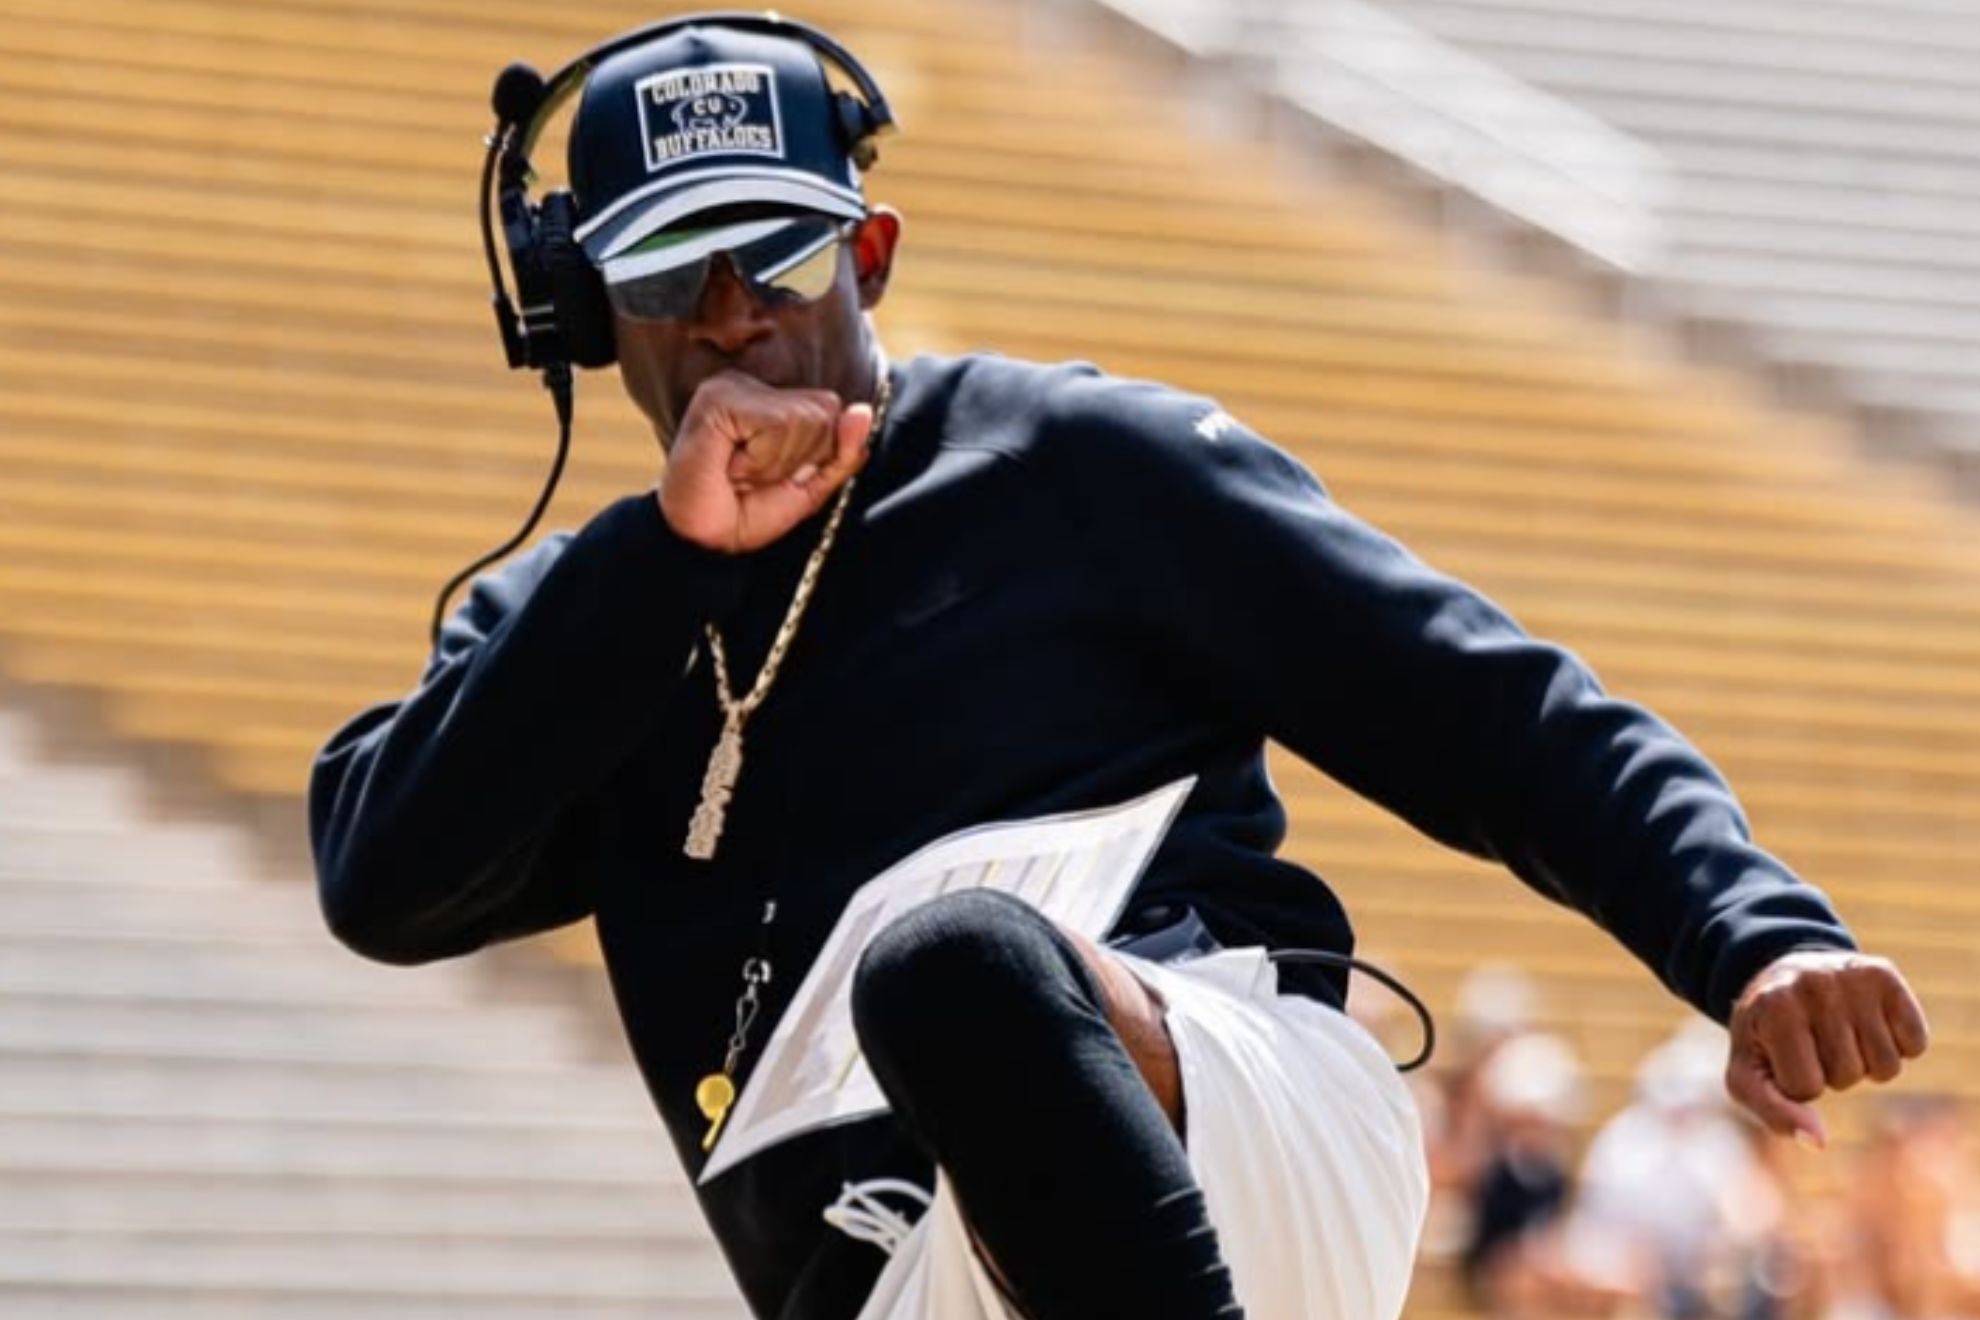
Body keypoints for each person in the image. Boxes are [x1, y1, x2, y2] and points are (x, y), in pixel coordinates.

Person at [308, 15, 1931, 1320]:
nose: (733, 319)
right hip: (904, 1273)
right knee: (940, 1000)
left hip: (1237, 1129)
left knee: (951, 971)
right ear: (587, 312)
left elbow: (1485, 710)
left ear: (868, 256)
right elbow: (384, 881)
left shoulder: (1078, 464)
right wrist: (661, 565)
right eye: (672, 276)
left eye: (778, 259)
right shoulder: (581, 617)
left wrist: (1754, 933)